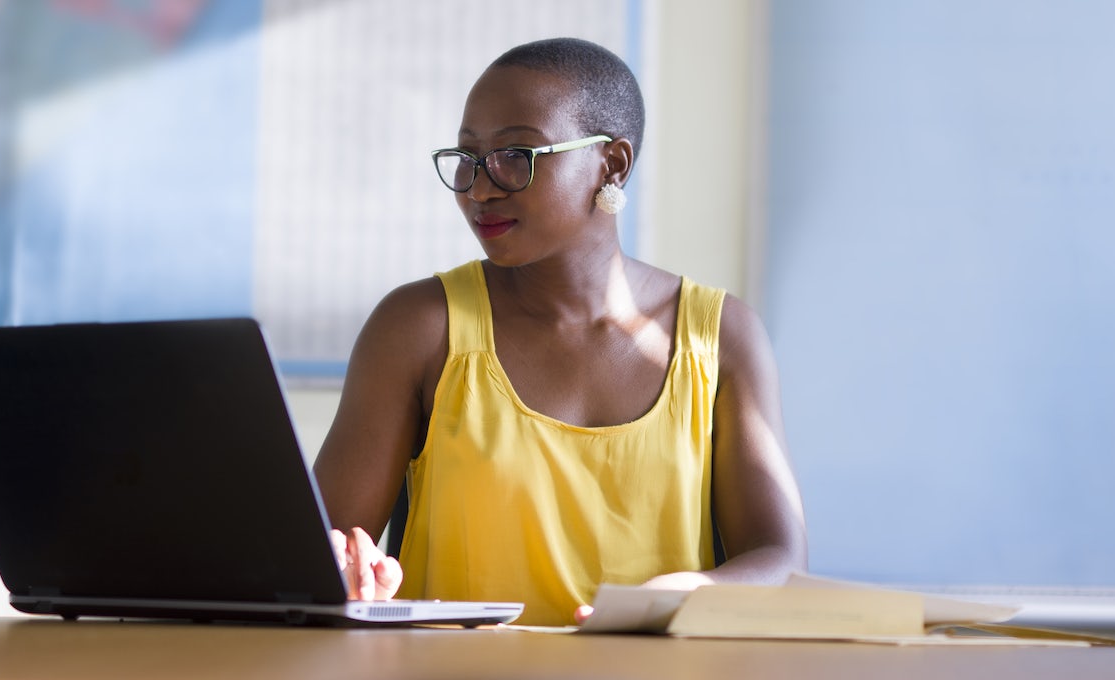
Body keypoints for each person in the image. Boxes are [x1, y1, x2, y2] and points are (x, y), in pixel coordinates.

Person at [312, 37, 806, 627]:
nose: (480, 187)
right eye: (468, 158)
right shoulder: (420, 326)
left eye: (516, 154)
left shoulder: (721, 337)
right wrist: (350, 568)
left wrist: (698, 589)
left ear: (613, 163)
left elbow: (781, 559)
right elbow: (320, 552)